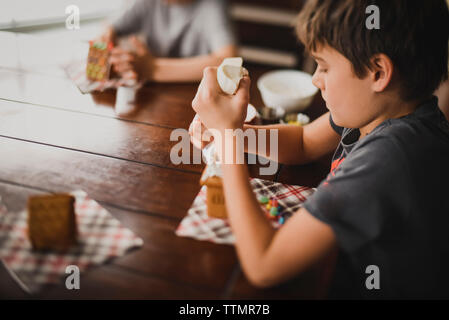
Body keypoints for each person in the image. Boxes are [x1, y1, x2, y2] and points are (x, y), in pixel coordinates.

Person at [189, 0, 449, 299]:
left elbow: (264, 264)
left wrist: (228, 136)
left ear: (378, 72)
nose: (315, 78)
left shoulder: (391, 157)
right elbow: (304, 143)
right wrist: (236, 132)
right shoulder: (382, 110)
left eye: (324, 66)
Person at [99, 0, 237, 82]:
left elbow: (229, 62)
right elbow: (110, 26)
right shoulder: (148, 2)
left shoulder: (211, 6)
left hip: (194, 97)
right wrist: (106, 36)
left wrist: (153, 69)